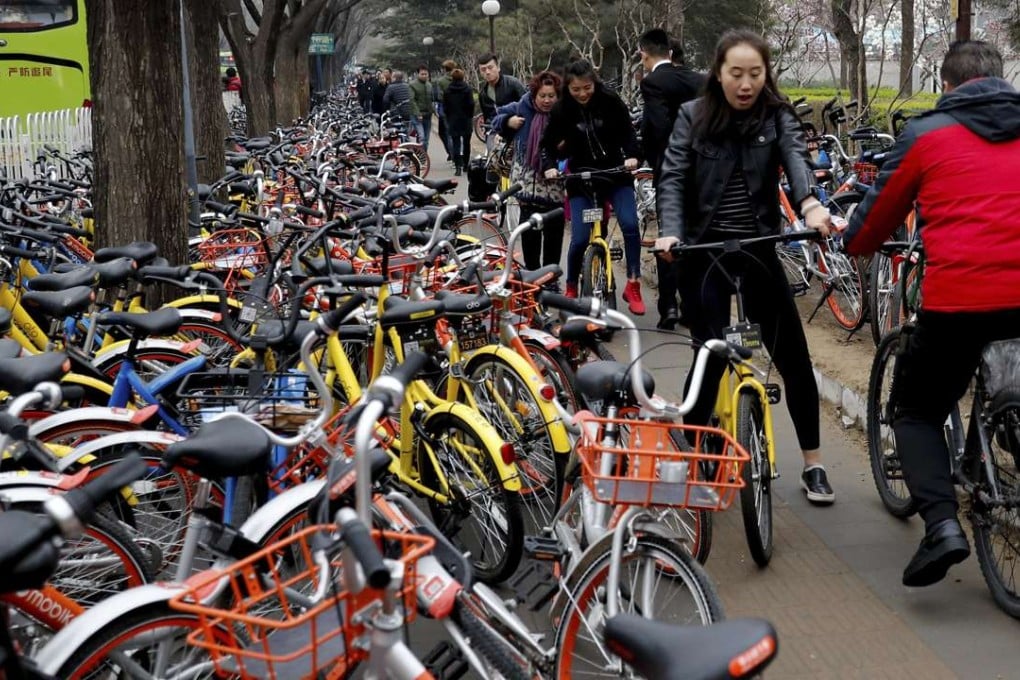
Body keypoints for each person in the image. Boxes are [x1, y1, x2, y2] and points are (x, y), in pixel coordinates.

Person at [844, 40, 1020, 587]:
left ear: (947, 85)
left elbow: (875, 222)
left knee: (916, 410)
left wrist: (855, 239)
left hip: (960, 298)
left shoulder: (925, 134)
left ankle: (942, 525)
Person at [654, 29, 835, 505]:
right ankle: (695, 458)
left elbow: (797, 162)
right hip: (703, 254)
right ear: (719, 73)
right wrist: (670, 231)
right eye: (737, 73)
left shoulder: (776, 117)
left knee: (794, 359)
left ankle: (813, 464)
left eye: (756, 73)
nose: (746, 83)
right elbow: (671, 177)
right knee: (708, 358)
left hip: (759, 248)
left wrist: (812, 207)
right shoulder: (691, 117)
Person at [541, 59, 645, 315]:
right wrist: (550, 165)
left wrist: (633, 156)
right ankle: (571, 286)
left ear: (594, 83)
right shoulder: (562, 109)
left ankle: (633, 283)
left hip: (614, 175)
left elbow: (629, 134)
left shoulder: (610, 100)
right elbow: (548, 145)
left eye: (587, 87)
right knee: (579, 239)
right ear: (568, 87)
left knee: (631, 225)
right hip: (581, 179)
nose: (582, 94)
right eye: (576, 89)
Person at [638, 28, 706, 330]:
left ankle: (668, 307)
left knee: (669, 239)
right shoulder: (699, 81)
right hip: (704, 170)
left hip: (670, 171)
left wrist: (651, 160)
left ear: (644, 53)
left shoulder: (652, 82)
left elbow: (658, 125)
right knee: (696, 238)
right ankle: (694, 307)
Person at [492, 70, 566, 272]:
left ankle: (550, 278)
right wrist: (508, 121)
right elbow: (496, 119)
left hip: (554, 186)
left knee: (554, 237)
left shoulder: (564, 113)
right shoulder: (522, 106)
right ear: (534, 95)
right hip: (527, 187)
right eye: (542, 96)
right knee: (530, 238)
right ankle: (533, 278)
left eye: (552, 96)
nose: (547, 100)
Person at [477, 53, 526, 124]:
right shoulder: (483, 94)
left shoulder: (513, 83)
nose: (487, 72)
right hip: (497, 132)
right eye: (483, 69)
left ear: (498, 68)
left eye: (490, 68)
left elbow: (527, 107)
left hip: (519, 128)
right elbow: (488, 119)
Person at [443, 68, 475, 176]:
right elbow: (471, 104)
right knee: (467, 143)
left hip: (453, 119)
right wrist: (470, 116)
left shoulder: (448, 90)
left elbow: (445, 107)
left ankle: (458, 167)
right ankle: (466, 165)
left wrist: (448, 117)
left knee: (456, 144)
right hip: (466, 119)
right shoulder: (468, 89)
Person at [435, 59, 457, 161]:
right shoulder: (458, 78)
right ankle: (454, 154)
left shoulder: (441, 81)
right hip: (457, 109)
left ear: (445, 69)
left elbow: (439, 96)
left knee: (445, 133)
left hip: (444, 109)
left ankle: (452, 154)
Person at [409, 65, 434, 149]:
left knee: (426, 138)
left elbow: (432, 99)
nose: (424, 76)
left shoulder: (429, 85)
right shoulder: (412, 85)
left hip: (428, 114)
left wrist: (434, 111)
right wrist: (417, 113)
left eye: (425, 74)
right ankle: (421, 156)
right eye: (422, 74)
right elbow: (412, 100)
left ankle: (423, 156)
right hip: (417, 115)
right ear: (418, 74)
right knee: (421, 137)